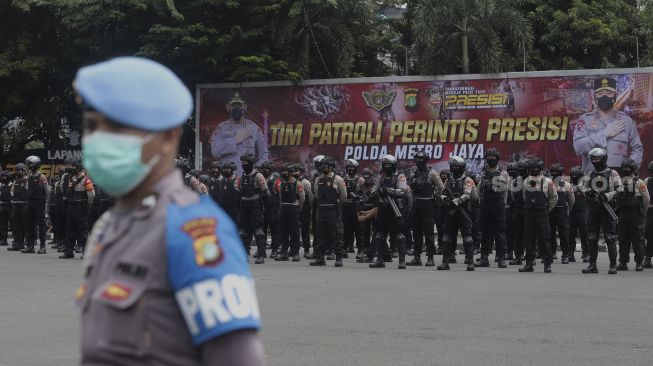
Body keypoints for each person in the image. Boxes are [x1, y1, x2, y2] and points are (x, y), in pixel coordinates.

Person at [73, 57, 264, 365]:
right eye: (93, 126)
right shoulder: (111, 224)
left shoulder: (191, 230)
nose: (100, 138)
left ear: (168, 136)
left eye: (120, 126)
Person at [573, 77, 643, 173]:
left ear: (615, 95)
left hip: (619, 180)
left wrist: (630, 169)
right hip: (591, 179)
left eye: (609, 93)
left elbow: (637, 148)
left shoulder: (626, 121)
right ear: (594, 97)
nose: (604, 96)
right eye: (600, 93)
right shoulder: (585, 120)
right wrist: (604, 134)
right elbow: (578, 147)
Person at [582, 147, 621, 274]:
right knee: (592, 237)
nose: (594, 161)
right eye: (593, 158)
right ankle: (592, 265)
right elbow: (582, 187)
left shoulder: (612, 173)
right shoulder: (591, 174)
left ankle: (613, 265)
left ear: (603, 159)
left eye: (597, 158)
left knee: (610, 237)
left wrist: (607, 195)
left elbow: (620, 189)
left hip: (607, 207)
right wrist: (589, 192)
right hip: (594, 208)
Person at [210, 93, 269, 175]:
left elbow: (264, 154)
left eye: (239, 105)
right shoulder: (221, 128)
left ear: (245, 107)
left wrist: (256, 169)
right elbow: (214, 151)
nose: (236, 108)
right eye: (233, 105)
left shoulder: (254, 128)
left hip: (247, 177)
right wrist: (235, 140)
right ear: (228, 107)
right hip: (227, 177)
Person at [369, 155, 408, 269]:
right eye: (384, 165)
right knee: (380, 234)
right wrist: (376, 193)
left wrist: (389, 190)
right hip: (383, 209)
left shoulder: (400, 176)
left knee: (399, 235)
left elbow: (402, 191)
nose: (386, 167)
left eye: (388, 165)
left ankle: (402, 261)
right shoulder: (381, 177)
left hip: (395, 208)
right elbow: (374, 190)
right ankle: (380, 260)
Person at [519, 158, 557, 273]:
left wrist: (546, 209)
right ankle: (529, 264)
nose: (534, 171)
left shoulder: (548, 182)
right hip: (529, 213)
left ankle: (547, 264)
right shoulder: (526, 181)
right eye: (532, 169)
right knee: (529, 239)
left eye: (536, 169)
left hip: (542, 213)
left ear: (540, 169)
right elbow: (525, 195)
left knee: (544, 238)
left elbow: (554, 198)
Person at [438, 156, 476, 271]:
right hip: (450, 211)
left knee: (467, 238)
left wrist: (457, 200)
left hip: (463, 210)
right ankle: (445, 262)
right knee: (446, 237)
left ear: (462, 167)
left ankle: (470, 263)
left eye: (457, 166)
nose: (454, 168)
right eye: (453, 166)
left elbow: (468, 194)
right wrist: (444, 198)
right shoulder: (448, 180)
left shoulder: (467, 180)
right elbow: (442, 191)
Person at [407, 150, 444, 266]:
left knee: (428, 232)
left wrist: (436, 197)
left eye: (421, 159)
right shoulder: (413, 173)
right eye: (417, 159)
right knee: (416, 231)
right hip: (416, 203)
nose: (419, 161)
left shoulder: (432, 173)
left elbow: (441, 187)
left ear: (426, 160)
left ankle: (430, 257)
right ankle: (417, 257)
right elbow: (409, 187)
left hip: (428, 204)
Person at [310, 156, 347, 267]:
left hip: (333, 210)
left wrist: (336, 205)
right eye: (322, 166)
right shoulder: (318, 180)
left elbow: (343, 196)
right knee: (320, 234)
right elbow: (316, 194)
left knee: (336, 234)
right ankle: (320, 258)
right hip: (321, 210)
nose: (324, 168)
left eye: (327, 166)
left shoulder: (338, 179)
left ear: (332, 167)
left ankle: (339, 258)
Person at [615, 158, 649, 271]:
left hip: (635, 214)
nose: (626, 170)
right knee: (623, 238)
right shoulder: (619, 182)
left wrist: (642, 211)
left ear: (633, 169)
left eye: (628, 168)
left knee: (637, 239)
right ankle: (623, 262)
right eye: (624, 168)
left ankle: (639, 263)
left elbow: (646, 199)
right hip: (623, 213)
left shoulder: (639, 182)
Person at [477, 148, 509, 268]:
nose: (491, 160)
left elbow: (506, 192)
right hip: (485, 205)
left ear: (497, 159)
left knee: (499, 232)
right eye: (489, 158)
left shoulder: (503, 174)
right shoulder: (483, 173)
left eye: (493, 158)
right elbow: (479, 190)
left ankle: (501, 259)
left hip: (498, 205)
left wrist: (503, 205)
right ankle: (484, 258)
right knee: (485, 233)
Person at [236, 153, 270, 263]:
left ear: (251, 164)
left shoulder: (258, 176)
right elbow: (239, 190)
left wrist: (262, 205)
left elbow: (266, 192)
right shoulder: (242, 176)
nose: (244, 166)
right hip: (244, 206)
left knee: (258, 231)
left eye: (246, 164)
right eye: (242, 164)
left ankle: (261, 255)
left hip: (255, 206)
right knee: (243, 232)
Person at [60, 158, 94, 258]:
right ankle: (69, 251)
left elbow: (91, 194)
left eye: (72, 166)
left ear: (78, 167)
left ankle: (85, 251)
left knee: (82, 230)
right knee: (69, 228)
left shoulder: (85, 179)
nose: (69, 168)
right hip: (71, 205)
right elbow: (63, 189)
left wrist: (88, 204)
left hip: (81, 206)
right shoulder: (70, 178)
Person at [276, 163, 305, 262]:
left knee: (295, 232)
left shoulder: (297, 183)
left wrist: (299, 207)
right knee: (284, 232)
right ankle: (284, 253)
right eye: (283, 171)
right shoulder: (281, 183)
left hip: (293, 208)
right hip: (284, 207)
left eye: (286, 171)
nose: (284, 173)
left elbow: (302, 197)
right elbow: (280, 196)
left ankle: (295, 253)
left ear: (291, 173)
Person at [22, 156, 50, 254]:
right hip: (30, 202)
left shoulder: (41, 176)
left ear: (37, 164)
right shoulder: (29, 175)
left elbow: (47, 192)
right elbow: (26, 187)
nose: (29, 166)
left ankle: (43, 246)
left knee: (41, 225)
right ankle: (30, 246)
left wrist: (46, 207)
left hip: (39, 202)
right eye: (29, 164)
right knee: (30, 224)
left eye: (31, 164)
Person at [548, 163, 574, 263]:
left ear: (561, 173)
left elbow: (571, 200)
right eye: (553, 173)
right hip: (550, 211)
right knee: (550, 234)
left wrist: (568, 211)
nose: (554, 175)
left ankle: (565, 255)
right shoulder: (548, 183)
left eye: (557, 173)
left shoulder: (566, 185)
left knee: (564, 235)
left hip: (562, 212)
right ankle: (551, 253)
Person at [342, 159, 365, 257]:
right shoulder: (343, 179)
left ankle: (360, 250)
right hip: (345, 206)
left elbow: (364, 194)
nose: (350, 170)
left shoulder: (360, 180)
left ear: (356, 169)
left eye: (352, 168)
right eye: (349, 168)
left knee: (359, 229)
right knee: (345, 229)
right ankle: (344, 249)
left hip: (356, 206)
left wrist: (358, 197)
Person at [259, 161, 281, 258]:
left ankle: (275, 249)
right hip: (261, 208)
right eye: (264, 169)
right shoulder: (259, 180)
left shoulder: (276, 181)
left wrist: (279, 209)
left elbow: (281, 196)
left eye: (267, 169)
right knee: (261, 230)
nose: (265, 171)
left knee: (275, 230)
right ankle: (261, 250)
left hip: (273, 209)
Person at [568, 166, 589, 263]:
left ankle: (586, 253)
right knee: (571, 234)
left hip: (582, 211)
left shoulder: (585, 185)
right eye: (572, 176)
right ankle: (570, 253)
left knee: (584, 233)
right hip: (572, 212)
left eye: (575, 176)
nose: (574, 178)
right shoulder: (569, 186)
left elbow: (588, 195)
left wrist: (581, 188)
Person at [292, 164, 313, 258]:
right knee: (293, 230)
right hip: (294, 207)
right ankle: (293, 249)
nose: (294, 172)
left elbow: (311, 197)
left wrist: (311, 209)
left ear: (301, 172)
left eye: (296, 170)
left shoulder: (306, 182)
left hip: (304, 208)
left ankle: (306, 250)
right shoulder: (291, 181)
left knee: (305, 230)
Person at [508, 161, 526, 265]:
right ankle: (518, 256)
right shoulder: (515, 181)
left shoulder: (533, 180)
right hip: (518, 209)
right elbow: (513, 195)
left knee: (529, 234)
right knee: (517, 234)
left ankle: (529, 257)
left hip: (529, 209)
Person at [8, 164, 29, 252]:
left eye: (19, 170)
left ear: (24, 171)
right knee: (16, 227)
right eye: (16, 170)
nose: (17, 172)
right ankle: (17, 244)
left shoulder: (28, 180)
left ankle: (27, 244)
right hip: (16, 206)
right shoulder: (15, 181)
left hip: (25, 206)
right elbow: (12, 192)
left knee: (26, 226)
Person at [217, 161, 241, 225]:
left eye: (228, 169)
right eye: (224, 169)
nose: (226, 170)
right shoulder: (222, 180)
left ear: (233, 170)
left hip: (235, 209)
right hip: (224, 209)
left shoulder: (238, 179)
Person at [644, 161, 653, 268]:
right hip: (650, 210)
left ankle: (647, 259)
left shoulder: (646, 180)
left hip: (649, 211)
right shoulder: (646, 181)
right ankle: (647, 259)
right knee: (649, 235)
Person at [0, 171, 12, 247]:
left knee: (14, 224)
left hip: (11, 206)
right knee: (2, 224)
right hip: (2, 206)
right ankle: (4, 240)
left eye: (4, 177)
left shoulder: (13, 185)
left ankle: (17, 240)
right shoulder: (1, 186)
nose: (3, 178)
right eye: (2, 176)